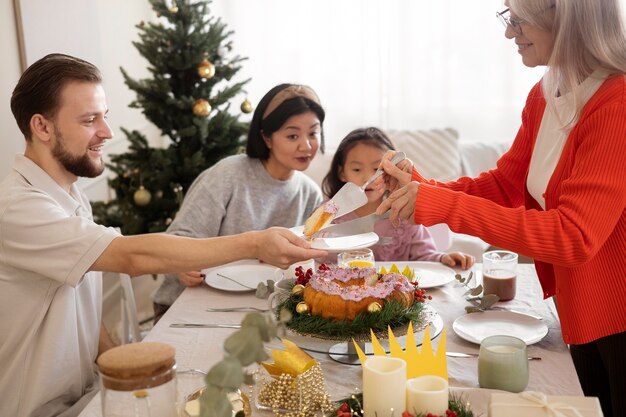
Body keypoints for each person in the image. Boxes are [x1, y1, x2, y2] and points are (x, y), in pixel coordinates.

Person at [0, 53, 327, 417]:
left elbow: (82, 308)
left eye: (104, 116)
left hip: (86, 395)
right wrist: (254, 241)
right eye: (90, 120)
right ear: (42, 128)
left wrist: (119, 369)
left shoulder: (70, 195)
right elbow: (132, 257)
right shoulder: (18, 209)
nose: (107, 132)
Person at [376, 1, 626, 415]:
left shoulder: (616, 104)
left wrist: (444, 205)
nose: (510, 33)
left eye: (518, 19)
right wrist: (422, 188)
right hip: (581, 305)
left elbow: (573, 236)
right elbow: (505, 184)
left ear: (565, 16)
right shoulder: (549, 92)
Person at [152, 83, 326, 322]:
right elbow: (179, 238)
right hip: (190, 304)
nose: (306, 145)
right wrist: (182, 266)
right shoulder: (228, 174)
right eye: (292, 135)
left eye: (313, 133)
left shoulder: (310, 193)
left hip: (261, 306)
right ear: (266, 137)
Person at [321, 127, 474, 268]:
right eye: (357, 169)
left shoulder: (404, 212)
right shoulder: (327, 214)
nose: (367, 177)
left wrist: (444, 259)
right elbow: (316, 259)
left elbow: (424, 256)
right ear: (341, 172)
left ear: (390, 170)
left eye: (376, 169)